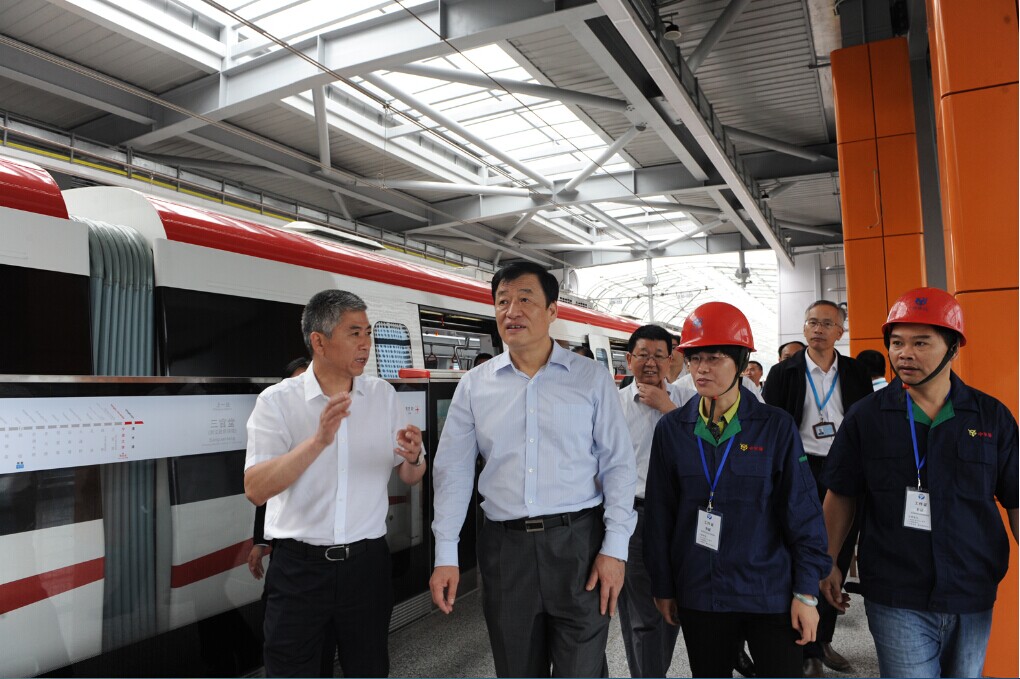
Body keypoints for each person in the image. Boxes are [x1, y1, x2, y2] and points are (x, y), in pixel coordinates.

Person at [430, 261, 636, 678]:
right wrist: (445, 554)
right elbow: (453, 471)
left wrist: (615, 548)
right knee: (516, 667)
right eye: (502, 301)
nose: (512, 311)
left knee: (581, 670)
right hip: (505, 550)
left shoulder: (591, 379)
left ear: (552, 311)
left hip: (578, 544)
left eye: (525, 299)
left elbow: (617, 464)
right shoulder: (475, 385)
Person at [821, 287, 1019, 678]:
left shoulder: (991, 417)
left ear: (953, 348)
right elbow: (841, 495)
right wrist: (826, 562)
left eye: (921, 343)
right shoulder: (866, 417)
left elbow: (1016, 498)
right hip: (896, 588)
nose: (904, 353)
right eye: (897, 343)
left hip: (972, 587)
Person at [244, 290, 426, 678]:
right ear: (319, 342)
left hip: (367, 567)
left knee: (369, 668)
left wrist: (414, 458)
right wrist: (317, 442)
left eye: (368, 332)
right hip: (299, 571)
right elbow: (256, 488)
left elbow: (410, 475)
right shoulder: (277, 402)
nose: (366, 344)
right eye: (354, 333)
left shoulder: (382, 396)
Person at [644, 302, 830, 678]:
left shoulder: (775, 427)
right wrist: (663, 586)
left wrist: (806, 591)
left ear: (742, 363)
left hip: (769, 591)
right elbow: (660, 514)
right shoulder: (673, 430)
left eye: (714, 358)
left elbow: (802, 511)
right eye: (695, 359)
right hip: (701, 592)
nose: (702, 369)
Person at [762, 300, 872, 677]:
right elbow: (772, 425)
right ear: (805, 327)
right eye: (812, 322)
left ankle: (823, 640)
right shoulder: (784, 372)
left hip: (845, 467)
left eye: (827, 323)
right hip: (800, 465)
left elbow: (865, 421)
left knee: (835, 554)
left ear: (840, 331)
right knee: (797, 549)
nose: (818, 329)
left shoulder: (855, 372)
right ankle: (801, 642)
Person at [616, 324, 684, 678]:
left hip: (681, 518)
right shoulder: (614, 406)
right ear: (629, 359)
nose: (652, 362)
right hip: (635, 516)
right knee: (643, 615)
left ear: (671, 360)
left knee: (671, 610)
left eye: (660, 355)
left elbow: (705, 450)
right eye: (643, 355)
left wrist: (668, 408)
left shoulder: (687, 400)